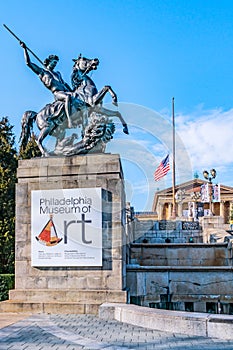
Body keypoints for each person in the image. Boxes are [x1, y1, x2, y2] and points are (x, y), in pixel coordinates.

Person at [20, 41, 74, 128]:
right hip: (57, 93)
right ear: (49, 61)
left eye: (56, 63)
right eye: (54, 62)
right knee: (67, 97)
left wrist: (73, 91)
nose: (55, 64)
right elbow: (28, 63)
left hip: (66, 91)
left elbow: (64, 83)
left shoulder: (58, 73)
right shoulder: (42, 72)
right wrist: (25, 49)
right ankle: (70, 120)